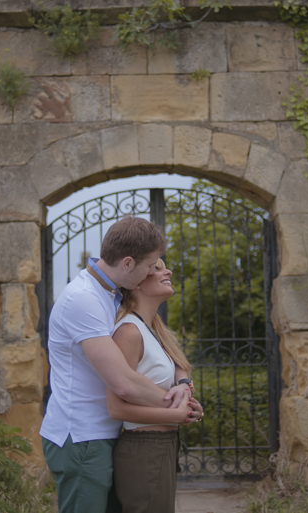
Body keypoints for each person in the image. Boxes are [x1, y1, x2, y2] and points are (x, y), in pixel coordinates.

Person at [40, 216, 203, 513]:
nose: (151, 273)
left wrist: (182, 386)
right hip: (81, 437)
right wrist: (177, 405)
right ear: (127, 263)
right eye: (149, 266)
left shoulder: (110, 294)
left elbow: (161, 348)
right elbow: (123, 382)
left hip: (107, 435)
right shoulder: (83, 298)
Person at [108, 258, 201, 513]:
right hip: (145, 450)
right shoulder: (129, 332)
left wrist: (186, 393)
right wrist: (175, 414)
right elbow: (116, 408)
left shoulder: (152, 329)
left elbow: (178, 372)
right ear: (136, 281)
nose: (167, 271)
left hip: (162, 447)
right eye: (156, 268)